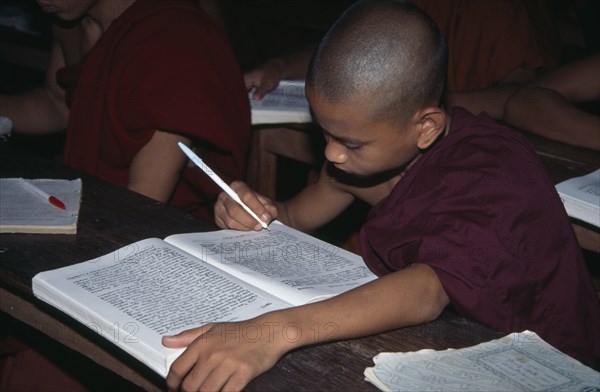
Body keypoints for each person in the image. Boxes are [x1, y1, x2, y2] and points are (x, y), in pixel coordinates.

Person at [162, 1, 600, 390]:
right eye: (325, 133)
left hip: (545, 365)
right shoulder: (369, 156)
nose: (331, 153)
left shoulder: (486, 175)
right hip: (440, 345)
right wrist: (254, 210)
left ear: (425, 127)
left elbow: (428, 290)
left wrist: (276, 332)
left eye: (350, 143)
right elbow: (295, 215)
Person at [0, 0, 251, 221]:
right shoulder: (69, 19)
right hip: (82, 198)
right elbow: (55, 102)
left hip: (157, 227)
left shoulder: (173, 35)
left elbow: (138, 207)